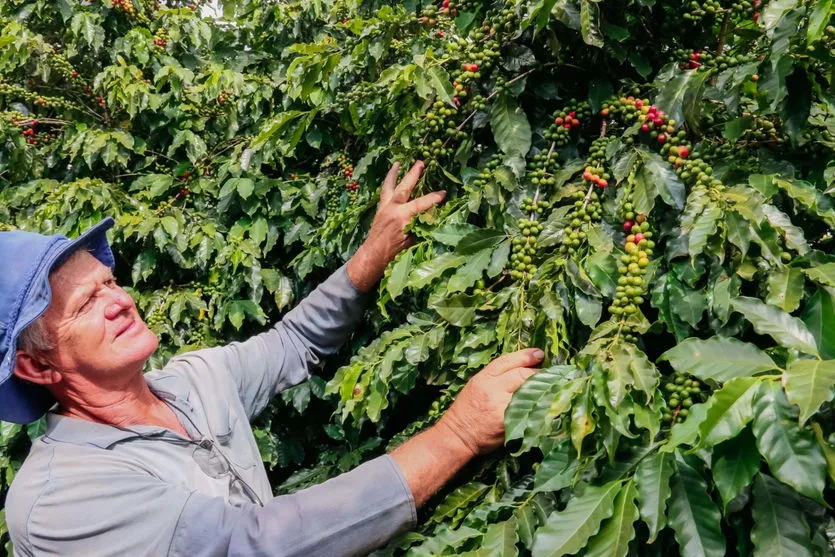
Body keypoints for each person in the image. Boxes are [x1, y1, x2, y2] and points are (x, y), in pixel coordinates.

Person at [1, 161, 544, 556]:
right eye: (86, 304)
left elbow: (292, 342)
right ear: (38, 368)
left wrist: (371, 254)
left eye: (110, 282)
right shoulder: (60, 502)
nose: (120, 302)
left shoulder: (195, 380)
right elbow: (253, 546)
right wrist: (458, 435)